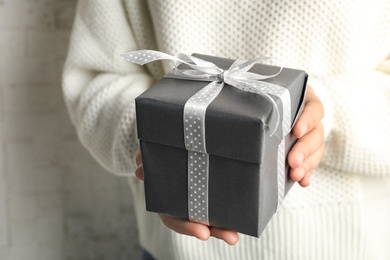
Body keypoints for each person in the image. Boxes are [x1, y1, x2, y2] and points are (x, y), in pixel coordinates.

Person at [62, 1, 390, 259]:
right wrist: (161, 146)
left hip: (350, 245)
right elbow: (93, 81)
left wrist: (325, 114)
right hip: (177, 251)